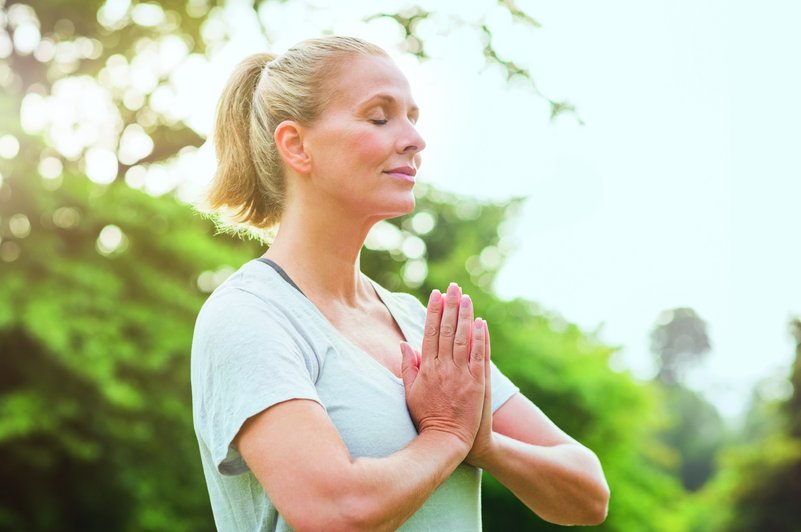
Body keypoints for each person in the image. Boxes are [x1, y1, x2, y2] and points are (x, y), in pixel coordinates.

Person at [191, 36, 609, 531]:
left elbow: (588, 494)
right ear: (297, 146)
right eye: (379, 117)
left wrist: (487, 446)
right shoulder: (249, 317)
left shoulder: (419, 324)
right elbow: (335, 512)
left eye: (413, 117)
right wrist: (446, 437)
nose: (415, 139)